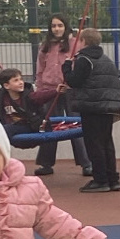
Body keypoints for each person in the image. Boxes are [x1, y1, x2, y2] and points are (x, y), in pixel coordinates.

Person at [32, 13, 94, 179]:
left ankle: (86, 163)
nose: (56, 29)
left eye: (60, 25)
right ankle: (46, 163)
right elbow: (40, 69)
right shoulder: (45, 46)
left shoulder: (75, 44)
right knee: (50, 125)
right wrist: (40, 90)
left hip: (70, 89)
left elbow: (82, 67)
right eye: (53, 26)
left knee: (75, 123)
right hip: (50, 90)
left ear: (66, 27)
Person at [63, 26, 120, 194]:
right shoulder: (105, 59)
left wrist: (66, 66)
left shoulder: (84, 59)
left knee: (94, 143)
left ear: (83, 41)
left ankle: (100, 180)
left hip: (92, 106)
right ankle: (113, 179)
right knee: (106, 142)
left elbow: (74, 81)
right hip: (108, 106)